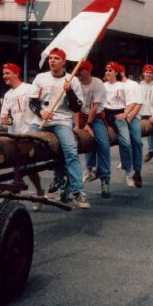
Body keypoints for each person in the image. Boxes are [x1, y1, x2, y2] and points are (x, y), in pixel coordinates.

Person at [28, 48, 90, 209]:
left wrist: (69, 91)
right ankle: (38, 190)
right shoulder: (40, 78)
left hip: (62, 121)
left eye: (56, 58)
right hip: (40, 121)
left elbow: (77, 107)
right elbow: (32, 102)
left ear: (63, 62)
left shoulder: (72, 80)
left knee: (70, 150)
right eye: (50, 58)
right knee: (25, 149)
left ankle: (78, 191)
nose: (52, 61)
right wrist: (41, 112)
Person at [0, 62, 44, 211]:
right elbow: (4, 117)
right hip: (14, 134)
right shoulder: (7, 95)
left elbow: (39, 108)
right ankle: (18, 193)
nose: (4, 76)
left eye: (7, 73)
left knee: (29, 166)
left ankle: (37, 192)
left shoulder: (29, 89)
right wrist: (5, 120)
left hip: (29, 132)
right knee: (19, 166)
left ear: (16, 74)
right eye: (4, 73)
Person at [74, 60, 111, 199]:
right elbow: (75, 106)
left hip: (95, 117)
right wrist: (77, 126)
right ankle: (88, 169)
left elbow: (95, 107)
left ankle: (105, 179)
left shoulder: (97, 83)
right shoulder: (75, 83)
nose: (77, 73)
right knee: (81, 143)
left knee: (103, 145)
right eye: (77, 71)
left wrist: (88, 124)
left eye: (80, 70)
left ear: (88, 71)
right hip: (81, 116)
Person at [103, 61, 135, 188]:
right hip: (104, 114)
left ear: (116, 72)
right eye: (106, 70)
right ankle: (90, 169)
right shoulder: (102, 85)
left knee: (126, 143)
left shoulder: (122, 86)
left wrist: (125, 113)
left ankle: (128, 173)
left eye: (110, 70)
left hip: (118, 113)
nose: (108, 72)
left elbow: (132, 102)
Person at [120, 65, 143, 187]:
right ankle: (127, 170)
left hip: (133, 117)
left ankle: (137, 171)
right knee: (124, 143)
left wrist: (129, 117)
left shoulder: (134, 84)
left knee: (137, 142)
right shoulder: (110, 85)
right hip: (118, 116)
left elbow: (139, 103)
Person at [140, 63, 153, 163]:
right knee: (146, 131)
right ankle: (151, 150)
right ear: (143, 73)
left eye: (151, 73)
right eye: (147, 72)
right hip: (142, 112)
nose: (148, 74)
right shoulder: (139, 85)